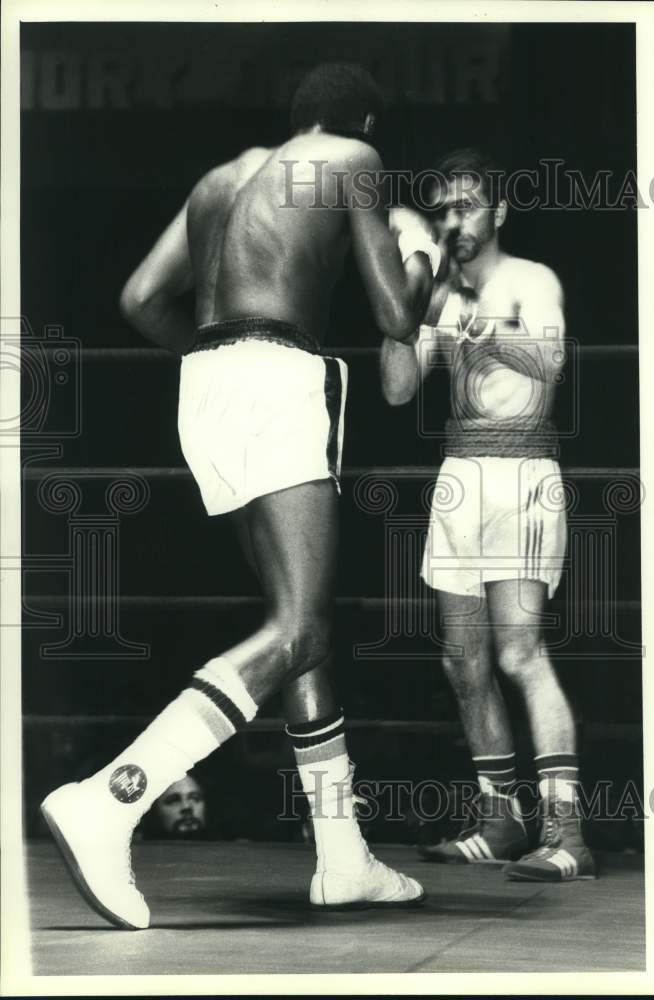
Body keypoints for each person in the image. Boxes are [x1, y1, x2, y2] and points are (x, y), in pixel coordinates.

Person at [41, 63, 442, 929]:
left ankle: (343, 858)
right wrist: (420, 256)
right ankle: (115, 796)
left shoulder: (222, 177)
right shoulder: (353, 158)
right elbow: (394, 318)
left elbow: (142, 298)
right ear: (362, 119)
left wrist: (224, 364)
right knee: (300, 628)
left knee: (298, 633)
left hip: (205, 382)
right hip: (273, 376)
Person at [380, 148, 595, 881]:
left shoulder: (530, 280)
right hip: (458, 476)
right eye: (442, 209)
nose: (453, 220)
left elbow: (550, 364)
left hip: (522, 474)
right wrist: (400, 303)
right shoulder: (438, 291)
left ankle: (567, 832)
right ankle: (501, 821)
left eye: (466, 205)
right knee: (461, 661)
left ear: (498, 212)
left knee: (518, 655)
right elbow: (399, 391)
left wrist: (463, 316)